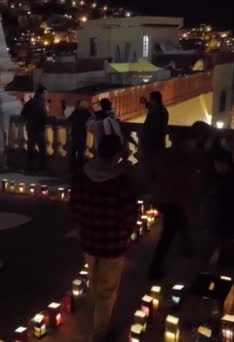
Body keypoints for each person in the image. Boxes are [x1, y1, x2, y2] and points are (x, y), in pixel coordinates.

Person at [70, 134, 138, 342]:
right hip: (113, 244)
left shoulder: (83, 176)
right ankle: (99, 333)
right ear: (117, 154)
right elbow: (129, 214)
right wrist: (125, 234)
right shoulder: (121, 181)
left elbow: (74, 206)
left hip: (89, 240)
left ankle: (98, 318)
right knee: (107, 290)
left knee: (94, 281)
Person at [147, 131, 199, 280]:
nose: (194, 146)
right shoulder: (182, 159)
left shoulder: (165, 155)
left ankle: (188, 247)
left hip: (164, 197)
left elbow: (153, 173)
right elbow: (184, 181)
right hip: (171, 199)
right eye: (192, 143)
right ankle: (155, 268)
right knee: (168, 234)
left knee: (179, 222)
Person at [21, 86, 48, 171]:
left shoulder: (30, 102)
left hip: (30, 128)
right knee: (42, 149)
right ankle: (41, 168)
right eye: (45, 93)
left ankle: (30, 167)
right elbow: (43, 116)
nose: (46, 95)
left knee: (30, 149)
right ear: (42, 94)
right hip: (39, 128)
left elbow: (23, 114)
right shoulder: (41, 102)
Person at [139, 91, 169, 162]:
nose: (150, 101)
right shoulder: (160, 109)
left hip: (152, 145)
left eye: (150, 99)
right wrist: (145, 102)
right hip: (156, 144)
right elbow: (151, 107)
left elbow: (151, 128)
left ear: (154, 100)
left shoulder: (158, 111)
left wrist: (143, 140)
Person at [68, 100, 92, 173]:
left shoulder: (75, 112)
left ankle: (72, 169)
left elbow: (69, 119)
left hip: (74, 134)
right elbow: (92, 119)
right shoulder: (87, 113)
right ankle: (79, 169)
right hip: (82, 135)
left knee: (73, 152)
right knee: (81, 153)